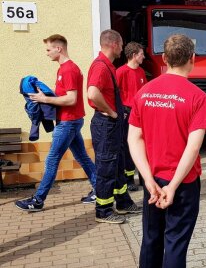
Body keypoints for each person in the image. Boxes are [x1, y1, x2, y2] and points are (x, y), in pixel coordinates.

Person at [128, 34, 206, 268]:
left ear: (164, 58)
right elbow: (193, 147)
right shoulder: (198, 97)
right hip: (183, 183)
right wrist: (173, 186)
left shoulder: (144, 92)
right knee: (175, 243)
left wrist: (146, 179)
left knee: (151, 239)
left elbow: (134, 138)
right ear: (192, 59)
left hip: (152, 182)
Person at [15, 34, 96, 212]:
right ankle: (100, 190)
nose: (47, 53)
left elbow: (71, 99)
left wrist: (45, 99)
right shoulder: (65, 68)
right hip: (71, 121)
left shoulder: (68, 70)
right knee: (82, 157)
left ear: (58, 49)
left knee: (52, 160)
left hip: (68, 122)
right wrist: (44, 92)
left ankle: (38, 200)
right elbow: (63, 94)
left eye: (48, 49)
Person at [87, 29, 140, 224]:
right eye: (121, 44)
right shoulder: (101, 66)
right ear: (114, 44)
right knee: (107, 167)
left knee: (117, 165)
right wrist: (111, 112)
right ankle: (103, 210)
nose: (122, 49)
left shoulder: (107, 65)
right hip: (106, 125)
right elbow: (92, 94)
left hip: (112, 126)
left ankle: (123, 203)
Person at [116, 42, 147, 192]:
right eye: (141, 54)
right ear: (134, 55)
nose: (144, 57)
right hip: (126, 113)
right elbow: (115, 94)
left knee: (141, 145)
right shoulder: (121, 72)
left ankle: (141, 176)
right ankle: (128, 180)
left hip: (140, 114)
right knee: (127, 147)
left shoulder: (141, 72)